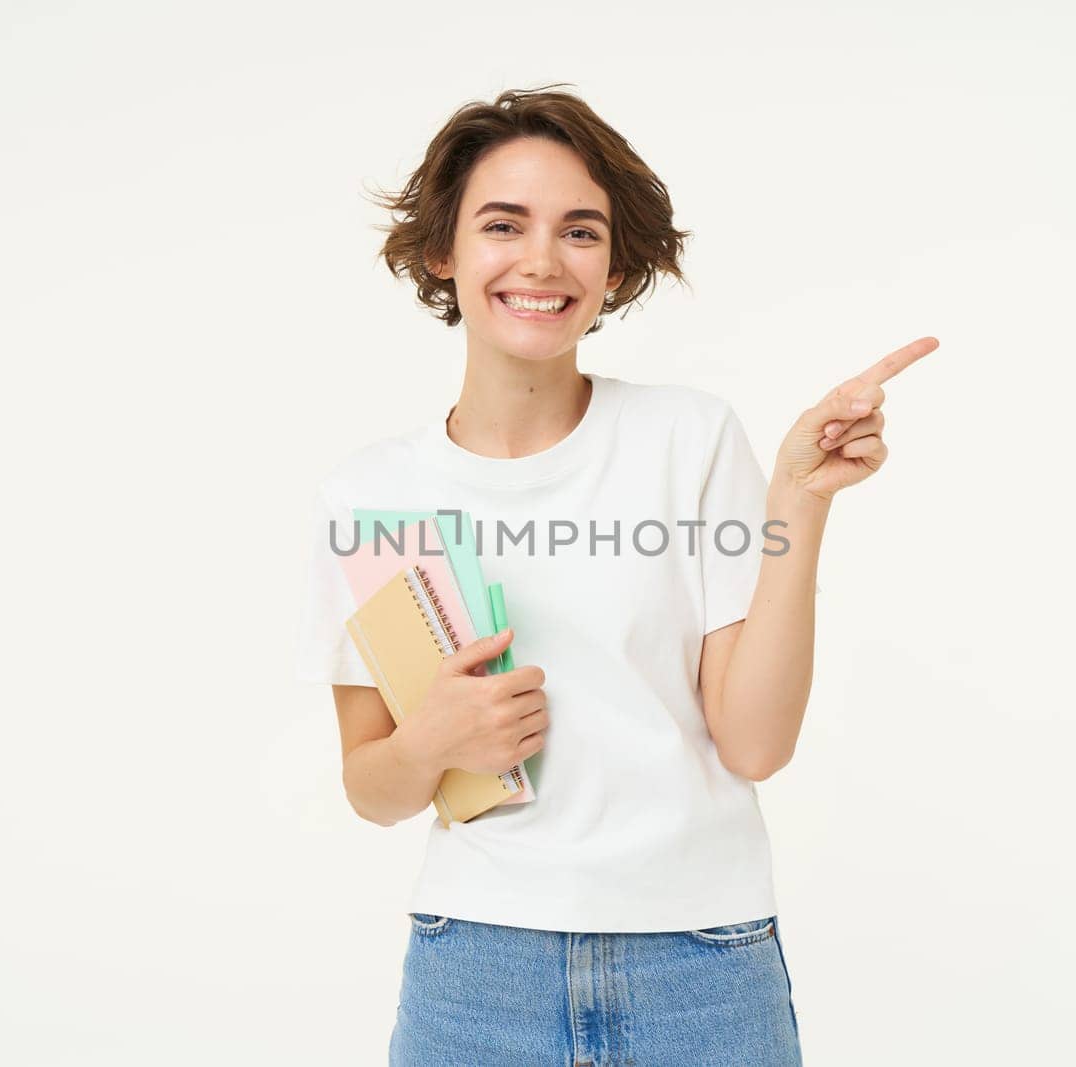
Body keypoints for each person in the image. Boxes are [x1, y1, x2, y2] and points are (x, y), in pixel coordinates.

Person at [295, 83, 937, 1066]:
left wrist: (800, 500)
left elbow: (755, 742)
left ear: (615, 263)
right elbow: (372, 788)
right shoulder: (374, 491)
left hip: (704, 961)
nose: (541, 260)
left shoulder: (687, 438)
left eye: (580, 231)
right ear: (443, 251)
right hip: (474, 971)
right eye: (502, 224)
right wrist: (431, 738)